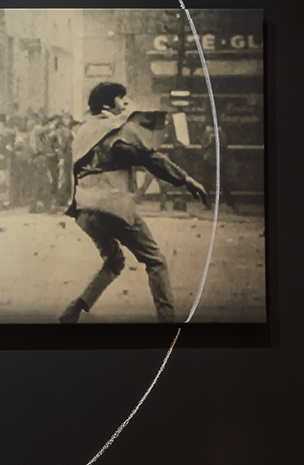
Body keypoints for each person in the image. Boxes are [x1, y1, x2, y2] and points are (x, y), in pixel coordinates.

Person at [58, 81, 208, 324]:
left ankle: (75, 307)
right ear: (108, 105)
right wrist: (186, 179)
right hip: (113, 204)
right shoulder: (116, 130)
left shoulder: (84, 131)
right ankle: (167, 321)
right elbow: (150, 158)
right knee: (155, 260)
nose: (125, 103)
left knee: (114, 261)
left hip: (85, 208)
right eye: (121, 98)